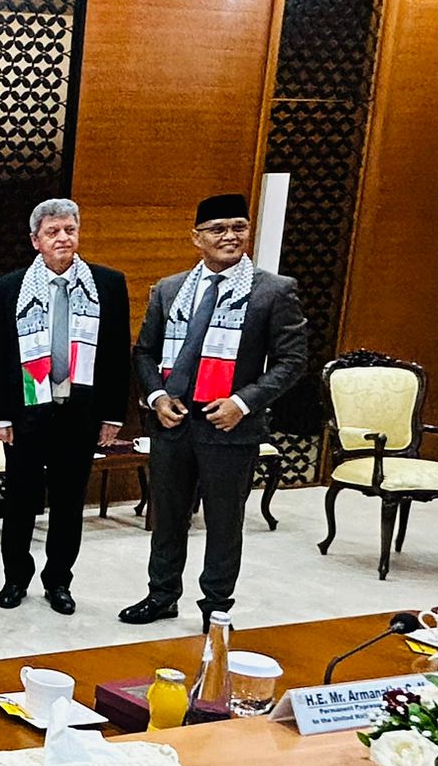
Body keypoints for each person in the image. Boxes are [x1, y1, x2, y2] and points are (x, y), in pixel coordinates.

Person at [122, 193, 307, 625]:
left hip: (229, 426)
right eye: (218, 229)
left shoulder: (273, 290)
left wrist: (243, 403)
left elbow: (293, 360)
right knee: (167, 519)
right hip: (173, 422)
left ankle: (216, 606)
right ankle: (161, 595)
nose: (230, 236)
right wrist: (157, 397)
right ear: (196, 238)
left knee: (224, 523)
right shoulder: (170, 289)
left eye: (239, 227)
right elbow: (144, 353)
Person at [0, 200, 131, 616]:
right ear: (36, 241)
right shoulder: (9, 287)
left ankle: (59, 581)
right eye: (53, 232)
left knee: (68, 504)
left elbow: (117, 353)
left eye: (70, 229)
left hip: (80, 413)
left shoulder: (107, 283)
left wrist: (112, 414)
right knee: (20, 501)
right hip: (26, 413)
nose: (63, 238)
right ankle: (15, 578)